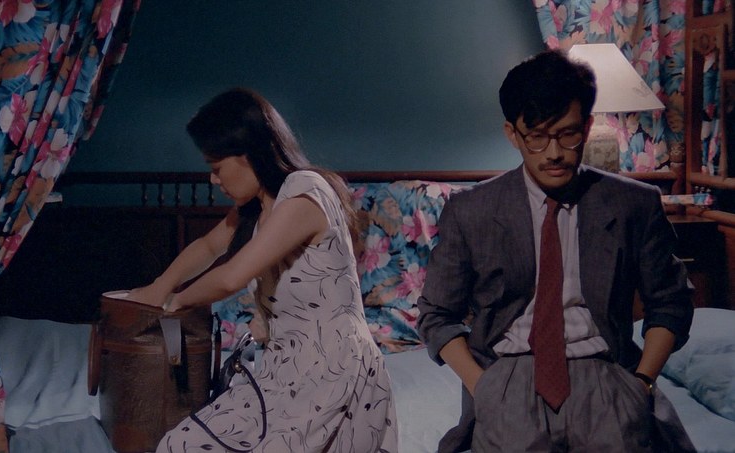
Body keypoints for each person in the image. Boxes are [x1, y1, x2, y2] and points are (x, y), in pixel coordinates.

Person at [417, 50, 695, 452]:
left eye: (568, 134)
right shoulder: (471, 210)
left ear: (587, 126)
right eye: (537, 136)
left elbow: (670, 302)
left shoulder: (632, 204)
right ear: (512, 134)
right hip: (508, 373)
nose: (554, 153)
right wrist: (483, 387)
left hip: (605, 369)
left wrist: (642, 383)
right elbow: (437, 315)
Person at [127, 87, 398, 452]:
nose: (213, 180)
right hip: (284, 371)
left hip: (333, 370)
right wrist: (159, 286)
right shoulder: (258, 207)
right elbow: (208, 247)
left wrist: (176, 301)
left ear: (249, 154)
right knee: (179, 444)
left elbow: (232, 277)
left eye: (216, 168)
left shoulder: (305, 191)